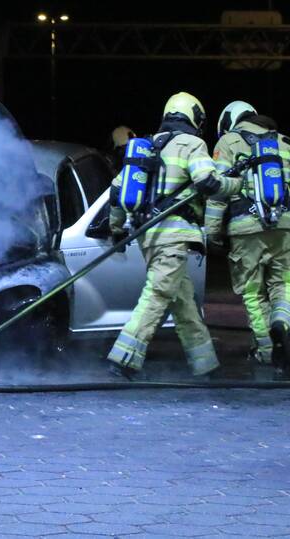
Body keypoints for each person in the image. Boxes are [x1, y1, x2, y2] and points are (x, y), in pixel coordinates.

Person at [106, 92, 242, 378]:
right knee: (157, 294)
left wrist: (116, 229)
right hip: (174, 236)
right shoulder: (192, 144)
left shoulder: (147, 147)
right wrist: (235, 184)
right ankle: (123, 358)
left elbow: (118, 193)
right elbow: (208, 181)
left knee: (184, 304)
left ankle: (205, 365)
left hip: (149, 236)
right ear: (195, 118)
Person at [205, 101, 290, 371]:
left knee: (252, 293)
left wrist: (213, 233)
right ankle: (282, 325)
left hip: (244, 229)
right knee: (287, 282)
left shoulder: (228, 142)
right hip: (284, 227)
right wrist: (286, 213)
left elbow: (218, 193)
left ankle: (265, 351)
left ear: (229, 121)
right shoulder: (287, 143)